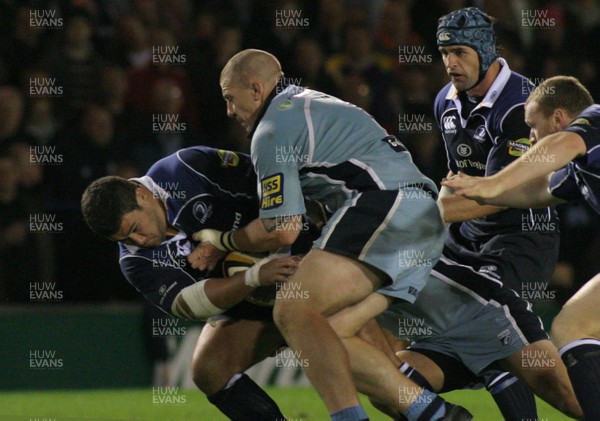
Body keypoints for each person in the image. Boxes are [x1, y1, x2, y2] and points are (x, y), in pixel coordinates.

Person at [190, 49, 474, 421]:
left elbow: (282, 228)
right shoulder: (307, 103)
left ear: (256, 89)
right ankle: (434, 413)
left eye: (230, 98)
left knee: (294, 307)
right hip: (417, 219)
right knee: (336, 332)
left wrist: (223, 241)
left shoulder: (271, 130)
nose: (229, 110)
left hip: (386, 207)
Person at [400, 7, 565, 420]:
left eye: (459, 52)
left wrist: (420, 216)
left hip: (520, 238)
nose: (450, 63)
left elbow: (504, 192)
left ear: (485, 51)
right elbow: (454, 177)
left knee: (488, 328)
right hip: (466, 237)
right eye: (443, 53)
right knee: (421, 364)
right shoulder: (445, 102)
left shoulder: (520, 107)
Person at [81, 146, 304, 420]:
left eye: (134, 229)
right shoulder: (134, 262)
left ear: (142, 194)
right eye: (123, 239)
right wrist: (254, 276)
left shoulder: (187, 168)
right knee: (210, 370)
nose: (138, 242)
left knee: (352, 354)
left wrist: (229, 242)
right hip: (252, 293)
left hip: (301, 250)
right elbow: (191, 304)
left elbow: (275, 184)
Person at [442, 75, 600, 419]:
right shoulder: (579, 167)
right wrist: (483, 192)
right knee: (571, 326)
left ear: (558, 119)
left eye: (532, 126)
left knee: (572, 326)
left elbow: (560, 146)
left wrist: (492, 182)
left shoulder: (594, 121)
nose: (529, 136)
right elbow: (538, 191)